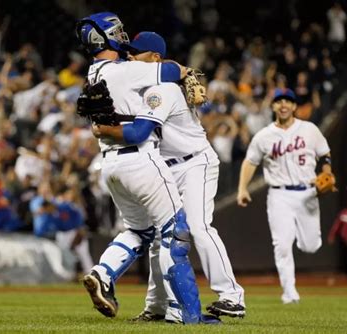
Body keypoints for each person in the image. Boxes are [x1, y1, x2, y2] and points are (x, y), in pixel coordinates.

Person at [89, 31, 245, 320]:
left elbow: (138, 132)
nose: (130, 56)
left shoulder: (162, 89)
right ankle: (156, 308)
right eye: (129, 52)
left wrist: (104, 129)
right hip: (165, 165)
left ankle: (232, 296)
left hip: (194, 162)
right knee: (163, 239)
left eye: (137, 53)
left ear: (156, 58)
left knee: (197, 226)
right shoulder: (138, 85)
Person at [237, 88, 335, 304]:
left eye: (288, 101)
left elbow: (325, 153)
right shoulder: (264, 135)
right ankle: (289, 292)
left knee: (311, 246)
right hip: (279, 195)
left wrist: (327, 172)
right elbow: (250, 161)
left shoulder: (309, 129)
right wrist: (242, 188)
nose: (283, 105)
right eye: (279, 101)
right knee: (281, 245)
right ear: (272, 106)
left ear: (294, 106)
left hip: (308, 193)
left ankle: (302, 237)